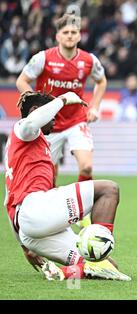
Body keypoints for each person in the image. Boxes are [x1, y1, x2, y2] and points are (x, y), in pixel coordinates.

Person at [4, 90, 130, 281]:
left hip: (29, 229)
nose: (55, 121)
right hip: (37, 210)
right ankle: (99, 242)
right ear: (36, 110)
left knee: (106, 266)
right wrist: (63, 99)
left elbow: (9, 201)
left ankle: (61, 273)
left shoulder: (25, 147)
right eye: (53, 116)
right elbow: (31, 122)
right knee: (109, 189)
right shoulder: (23, 129)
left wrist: (24, 245)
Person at [16, 13, 107, 184]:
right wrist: (37, 107)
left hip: (77, 120)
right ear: (58, 36)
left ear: (79, 35)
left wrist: (94, 107)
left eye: (74, 32)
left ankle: (83, 207)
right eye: (66, 32)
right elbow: (22, 81)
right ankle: (54, 207)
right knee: (50, 176)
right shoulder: (43, 58)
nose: (70, 36)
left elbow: (101, 81)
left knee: (87, 167)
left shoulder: (89, 60)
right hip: (49, 124)